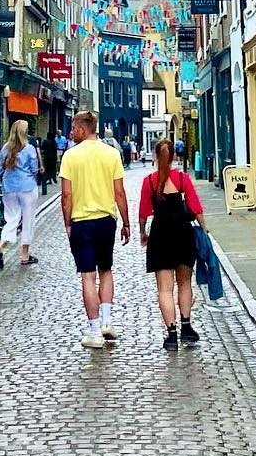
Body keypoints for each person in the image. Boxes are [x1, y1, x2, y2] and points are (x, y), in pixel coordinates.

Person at [60, 109, 130, 350]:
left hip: (82, 221)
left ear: (82, 128)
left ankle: (93, 330)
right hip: (106, 221)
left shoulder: (70, 156)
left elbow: (67, 195)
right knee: (106, 270)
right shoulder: (111, 154)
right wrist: (126, 222)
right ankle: (108, 322)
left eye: (73, 127)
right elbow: (119, 192)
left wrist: (67, 222)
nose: (70, 132)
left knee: (87, 276)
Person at [139, 137, 204, 351]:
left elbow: (143, 213)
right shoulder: (183, 180)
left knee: (164, 289)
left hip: (160, 237)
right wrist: (204, 229)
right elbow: (195, 207)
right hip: (183, 235)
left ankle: (171, 334)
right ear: (174, 156)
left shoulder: (150, 182)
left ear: (156, 157)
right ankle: (187, 327)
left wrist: (142, 233)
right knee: (185, 283)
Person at [0, 119, 41, 266]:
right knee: (28, 220)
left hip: (9, 186)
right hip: (27, 187)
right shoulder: (29, 148)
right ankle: (24, 255)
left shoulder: (5, 148)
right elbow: (34, 169)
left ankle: (1, 246)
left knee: (12, 218)